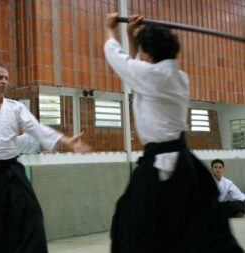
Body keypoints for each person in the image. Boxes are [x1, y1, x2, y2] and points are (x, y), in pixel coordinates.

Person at [104, 13, 243, 253]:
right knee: (194, 225)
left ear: (148, 53)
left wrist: (109, 30)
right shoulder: (177, 76)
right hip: (182, 162)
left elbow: (118, 59)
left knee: (137, 226)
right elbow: (139, 66)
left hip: (163, 166)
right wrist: (131, 35)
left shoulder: (154, 77)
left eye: (143, 51)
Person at [0, 62, 91, 253]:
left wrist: (67, 140)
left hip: (11, 170)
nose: (4, 81)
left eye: (6, 78)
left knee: (31, 214)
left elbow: (36, 128)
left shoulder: (15, 108)